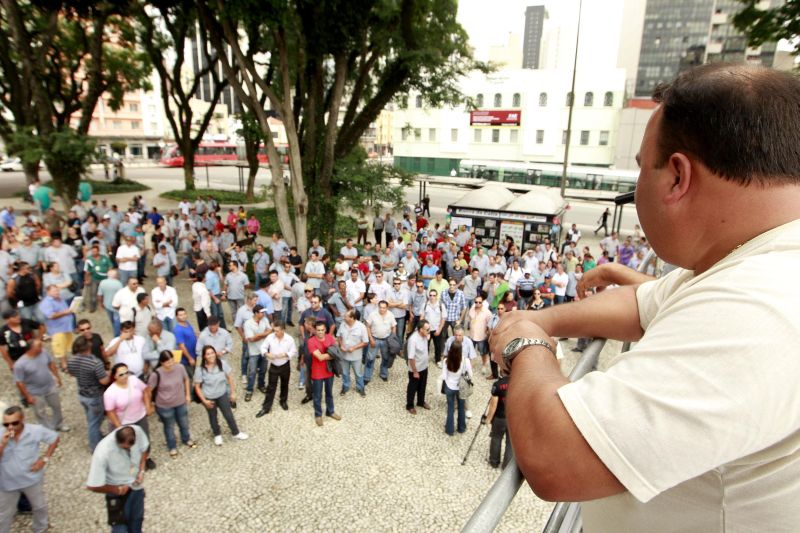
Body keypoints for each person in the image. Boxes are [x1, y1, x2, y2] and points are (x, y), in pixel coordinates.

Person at [489, 64, 800, 530]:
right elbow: (642, 303)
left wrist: (526, 343)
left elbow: (557, 455)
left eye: (640, 168)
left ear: (676, 177)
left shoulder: (763, 305)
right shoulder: (752, 260)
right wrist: (548, 320)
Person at [0, 406, 59, 533]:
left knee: (39, 507)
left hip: (31, 480)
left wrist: (44, 460)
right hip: (7, 483)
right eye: (6, 424)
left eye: (14, 423)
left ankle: (40, 528)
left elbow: (54, 438)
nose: (10, 427)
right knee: (4, 514)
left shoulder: (35, 431)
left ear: (22, 419)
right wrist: (3, 444)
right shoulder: (0, 434)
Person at [86, 425, 149, 533]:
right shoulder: (103, 451)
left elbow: (144, 449)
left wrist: (142, 470)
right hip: (118, 495)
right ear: (116, 441)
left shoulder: (137, 430)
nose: (129, 449)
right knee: (120, 529)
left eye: (131, 447)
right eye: (125, 448)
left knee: (137, 522)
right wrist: (117, 490)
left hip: (136, 489)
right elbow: (92, 485)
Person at [103, 363, 156, 471]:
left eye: (126, 372)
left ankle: (145, 459)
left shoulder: (134, 380)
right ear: (115, 376)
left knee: (144, 440)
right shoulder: (110, 393)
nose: (125, 376)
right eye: (121, 374)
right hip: (125, 422)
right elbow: (110, 412)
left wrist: (148, 406)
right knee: (128, 444)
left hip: (140, 417)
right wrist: (119, 427)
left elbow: (145, 390)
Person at [193, 346, 248, 446]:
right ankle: (217, 434)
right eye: (208, 354)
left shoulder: (222, 364)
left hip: (222, 394)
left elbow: (230, 377)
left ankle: (236, 432)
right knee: (213, 416)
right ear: (204, 356)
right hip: (209, 397)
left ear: (215, 353)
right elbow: (197, 387)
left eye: (212, 353)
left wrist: (233, 392)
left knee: (228, 415)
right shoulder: (200, 370)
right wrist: (204, 401)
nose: (210, 355)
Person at [147, 351, 195, 458]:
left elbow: (186, 379)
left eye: (172, 360)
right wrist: (150, 404)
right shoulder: (156, 374)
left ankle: (186, 439)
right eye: (168, 362)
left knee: (184, 422)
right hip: (165, 405)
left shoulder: (180, 368)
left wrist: (187, 394)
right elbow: (149, 390)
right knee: (169, 426)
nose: (171, 364)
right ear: (161, 362)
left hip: (180, 401)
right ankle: (172, 446)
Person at [13, 340, 68, 432]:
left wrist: (57, 377)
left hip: (50, 386)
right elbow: (19, 382)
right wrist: (27, 396)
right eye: (39, 346)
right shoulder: (20, 365)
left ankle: (58, 424)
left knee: (56, 406)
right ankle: (47, 429)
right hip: (34, 392)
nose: (42, 347)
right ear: (31, 348)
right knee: (40, 412)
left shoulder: (43, 353)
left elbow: (51, 363)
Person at [68, 336, 110, 451]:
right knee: (94, 423)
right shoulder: (95, 363)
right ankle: (95, 447)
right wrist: (109, 374)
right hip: (94, 396)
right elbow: (103, 381)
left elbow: (72, 373)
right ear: (89, 346)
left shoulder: (72, 360)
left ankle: (98, 436)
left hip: (82, 394)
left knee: (91, 419)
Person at [256, 321, 296, 417]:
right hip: (274, 366)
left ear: (283, 330)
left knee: (284, 384)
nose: (275, 333)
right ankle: (266, 408)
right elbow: (263, 347)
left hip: (285, 365)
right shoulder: (270, 337)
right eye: (274, 330)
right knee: (271, 387)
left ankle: (283, 401)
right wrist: (266, 354)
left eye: (277, 331)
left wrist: (286, 354)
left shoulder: (289, 339)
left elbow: (293, 350)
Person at [307, 322, 341, 426]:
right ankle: (318, 415)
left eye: (322, 330)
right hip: (317, 372)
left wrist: (333, 354)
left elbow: (336, 352)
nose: (320, 332)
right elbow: (320, 357)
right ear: (315, 330)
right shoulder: (311, 341)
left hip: (329, 371)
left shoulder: (330, 337)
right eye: (318, 330)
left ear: (325, 329)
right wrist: (332, 355)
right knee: (317, 395)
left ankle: (330, 411)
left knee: (329, 393)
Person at [37, 284, 74, 371]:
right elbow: (51, 315)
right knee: (59, 346)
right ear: (48, 292)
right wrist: (66, 312)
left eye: (57, 290)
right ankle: (64, 365)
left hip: (66, 327)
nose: (57, 292)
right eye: (54, 291)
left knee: (67, 344)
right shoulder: (46, 303)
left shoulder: (60, 299)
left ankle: (70, 361)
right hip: (57, 329)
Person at [441, 340, 472, 436]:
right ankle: (461, 428)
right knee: (461, 407)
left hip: (450, 387)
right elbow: (470, 375)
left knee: (450, 408)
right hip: (461, 388)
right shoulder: (465, 361)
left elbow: (444, 376)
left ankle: (449, 430)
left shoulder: (446, 361)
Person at [336, 310, 368, 397]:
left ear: (352, 318)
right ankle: (345, 387)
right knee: (345, 373)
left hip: (356, 356)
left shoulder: (361, 327)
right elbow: (339, 336)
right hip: (344, 355)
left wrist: (354, 347)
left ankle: (360, 388)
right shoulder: (343, 324)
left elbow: (365, 342)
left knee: (358, 373)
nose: (344, 317)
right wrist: (341, 344)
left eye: (346, 316)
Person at [243, 305, 271, 401]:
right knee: (252, 372)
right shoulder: (248, 323)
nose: (263, 314)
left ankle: (261, 385)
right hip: (253, 351)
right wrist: (263, 335)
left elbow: (270, 330)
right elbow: (251, 339)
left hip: (264, 350)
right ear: (255, 313)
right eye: (262, 312)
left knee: (263, 370)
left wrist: (258, 335)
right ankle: (249, 390)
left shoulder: (265, 320)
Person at [484, 372, 510, 469]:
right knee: (510, 443)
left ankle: (494, 462)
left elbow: (493, 405)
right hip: (512, 418)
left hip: (500, 417)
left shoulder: (498, 385)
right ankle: (506, 466)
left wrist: (488, 419)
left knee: (496, 438)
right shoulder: (519, 382)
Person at [405, 319, 431, 415]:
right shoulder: (413, 340)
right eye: (427, 329)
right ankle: (410, 405)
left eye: (429, 329)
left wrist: (428, 334)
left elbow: (428, 336)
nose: (429, 331)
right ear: (420, 330)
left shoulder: (425, 335)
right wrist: (415, 372)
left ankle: (420, 402)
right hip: (416, 369)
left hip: (424, 366)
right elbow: (411, 358)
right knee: (412, 387)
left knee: (422, 385)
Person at [97, 269, 123, 337]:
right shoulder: (118, 283)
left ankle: (115, 329)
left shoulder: (102, 282)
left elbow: (99, 295)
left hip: (107, 304)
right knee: (117, 320)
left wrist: (100, 303)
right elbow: (122, 295)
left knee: (112, 319)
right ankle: (117, 334)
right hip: (117, 306)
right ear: (115, 276)